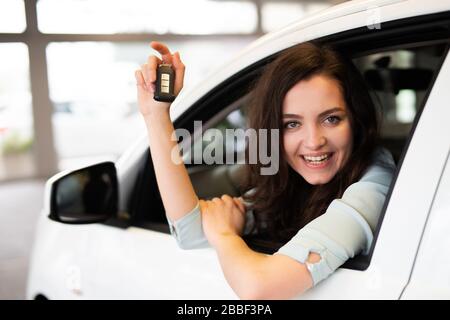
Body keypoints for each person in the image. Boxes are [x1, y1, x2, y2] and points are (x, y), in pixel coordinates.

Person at [134, 41, 395, 299]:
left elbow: (259, 289)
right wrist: (156, 115)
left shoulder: (376, 187)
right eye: (292, 124)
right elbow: (190, 232)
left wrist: (225, 235)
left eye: (331, 119)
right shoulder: (295, 183)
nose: (314, 141)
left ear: (356, 121)